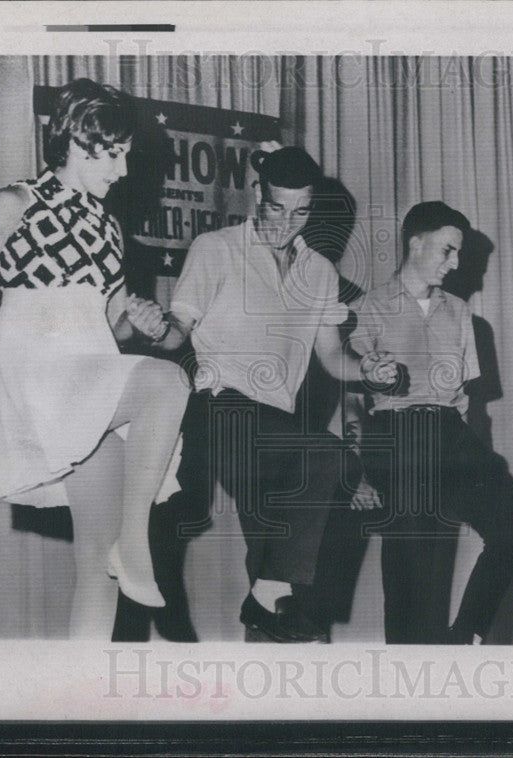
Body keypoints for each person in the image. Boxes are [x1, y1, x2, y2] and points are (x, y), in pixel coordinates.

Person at [0, 78, 190, 639]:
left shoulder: (108, 226)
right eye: (116, 154)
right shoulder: (16, 202)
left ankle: (80, 698)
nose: (123, 171)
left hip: (88, 373)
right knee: (168, 383)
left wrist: (142, 324)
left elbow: (110, 327)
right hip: (40, 372)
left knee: (96, 569)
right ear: (79, 140)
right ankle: (136, 540)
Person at [150, 146, 397, 642]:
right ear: (257, 195)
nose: (287, 222)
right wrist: (150, 328)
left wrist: (369, 370)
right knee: (329, 457)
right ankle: (265, 601)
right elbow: (176, 331)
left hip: (276, 425)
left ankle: (270, 650)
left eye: (301, 211)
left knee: (276, 563)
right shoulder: (216, 248)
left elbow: (332, 359)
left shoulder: (320, 272)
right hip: (221, 411)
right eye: (277, 207)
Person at [349, 201, 513, 645]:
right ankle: (409, 693)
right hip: (398, 437)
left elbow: (470, 403)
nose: (454, 264)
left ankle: (466, 632)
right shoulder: (369, 307)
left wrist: (476, 462)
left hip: (451, 435)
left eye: (458, 254)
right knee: (414, 573)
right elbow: (352, 398)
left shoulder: (462, 314)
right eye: (447, 251)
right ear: (415, 244)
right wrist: (358, 473)